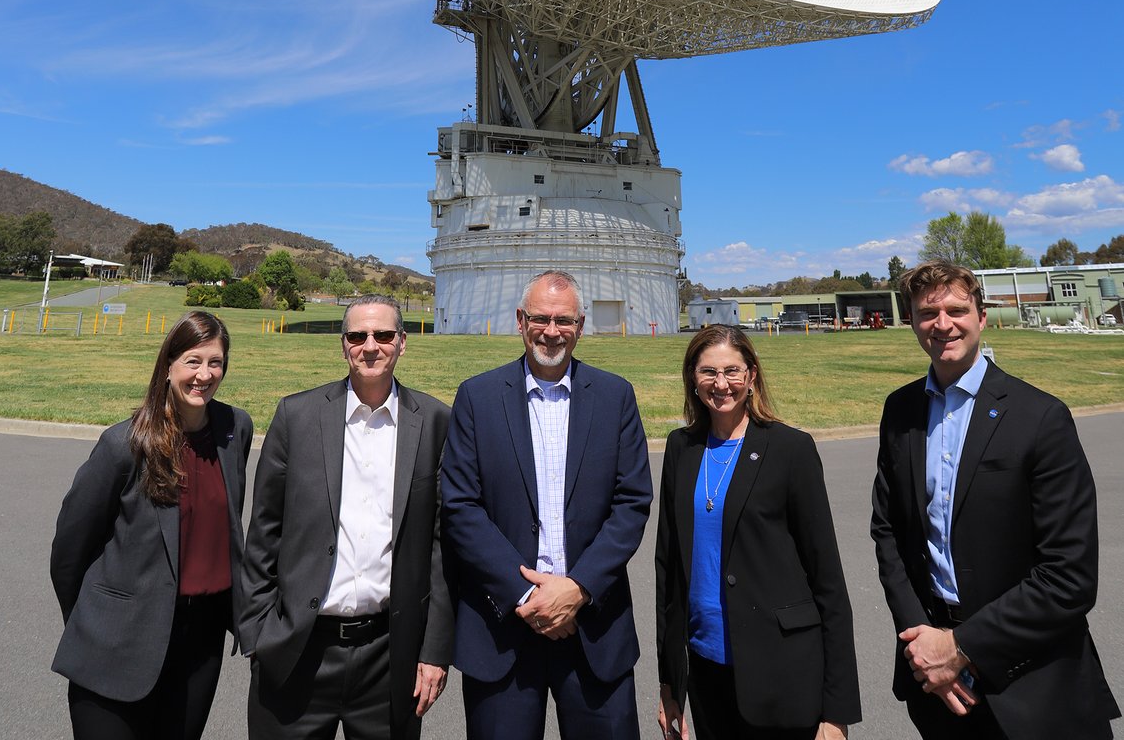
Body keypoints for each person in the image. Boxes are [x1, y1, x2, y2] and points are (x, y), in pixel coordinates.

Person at [871, 260, 1121, 739]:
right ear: (912, 323)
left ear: (981, 318)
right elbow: (889, 533)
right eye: (927, 313)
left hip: (1034, 684)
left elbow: (1069, 575)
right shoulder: (900, 411)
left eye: (956, 309)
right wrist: (922, 643)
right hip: (936, 682)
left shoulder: (1040, 418)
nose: (942, 324)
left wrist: (962, 646)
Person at [441, 269, 653, 740]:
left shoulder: (616, 396)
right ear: (521, 320)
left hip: (594, 628)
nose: (551, 331)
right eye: (540, 318)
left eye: (563, 321)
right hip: (503, 630)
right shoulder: (477, 397)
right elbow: (461, 506)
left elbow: (632, 501)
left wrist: (576, 589)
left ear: (580, 325)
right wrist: (529, 597)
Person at [240, 294, 451, 740]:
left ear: (402, 343)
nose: (370, 346)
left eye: (383, 335)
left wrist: (434, 651)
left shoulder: (435, 422)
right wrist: (259, 632)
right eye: (357, 335)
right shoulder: (296, 416)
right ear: (343, 345)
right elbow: (264, 533)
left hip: (388, 657)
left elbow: (441, 548)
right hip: (297, 650)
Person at [50, 310, 253, 740]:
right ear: (168, 368)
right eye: (193, 361)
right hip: (116, 643)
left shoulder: (235, 430)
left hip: (200, 644)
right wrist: (94, 622)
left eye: (215, 362)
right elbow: (70, 551)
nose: (204, 374)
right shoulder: (124, 445)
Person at [655, 324, 859, 740]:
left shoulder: (790, 449)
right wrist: (670, 685)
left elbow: (828, 583)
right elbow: (669, 572)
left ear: (751, 376)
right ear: (692, 378)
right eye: (708, 372)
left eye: (732, 371)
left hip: (782, 670)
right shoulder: (681, 448)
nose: (721, 383)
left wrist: (836, 712)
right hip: (707, 669)